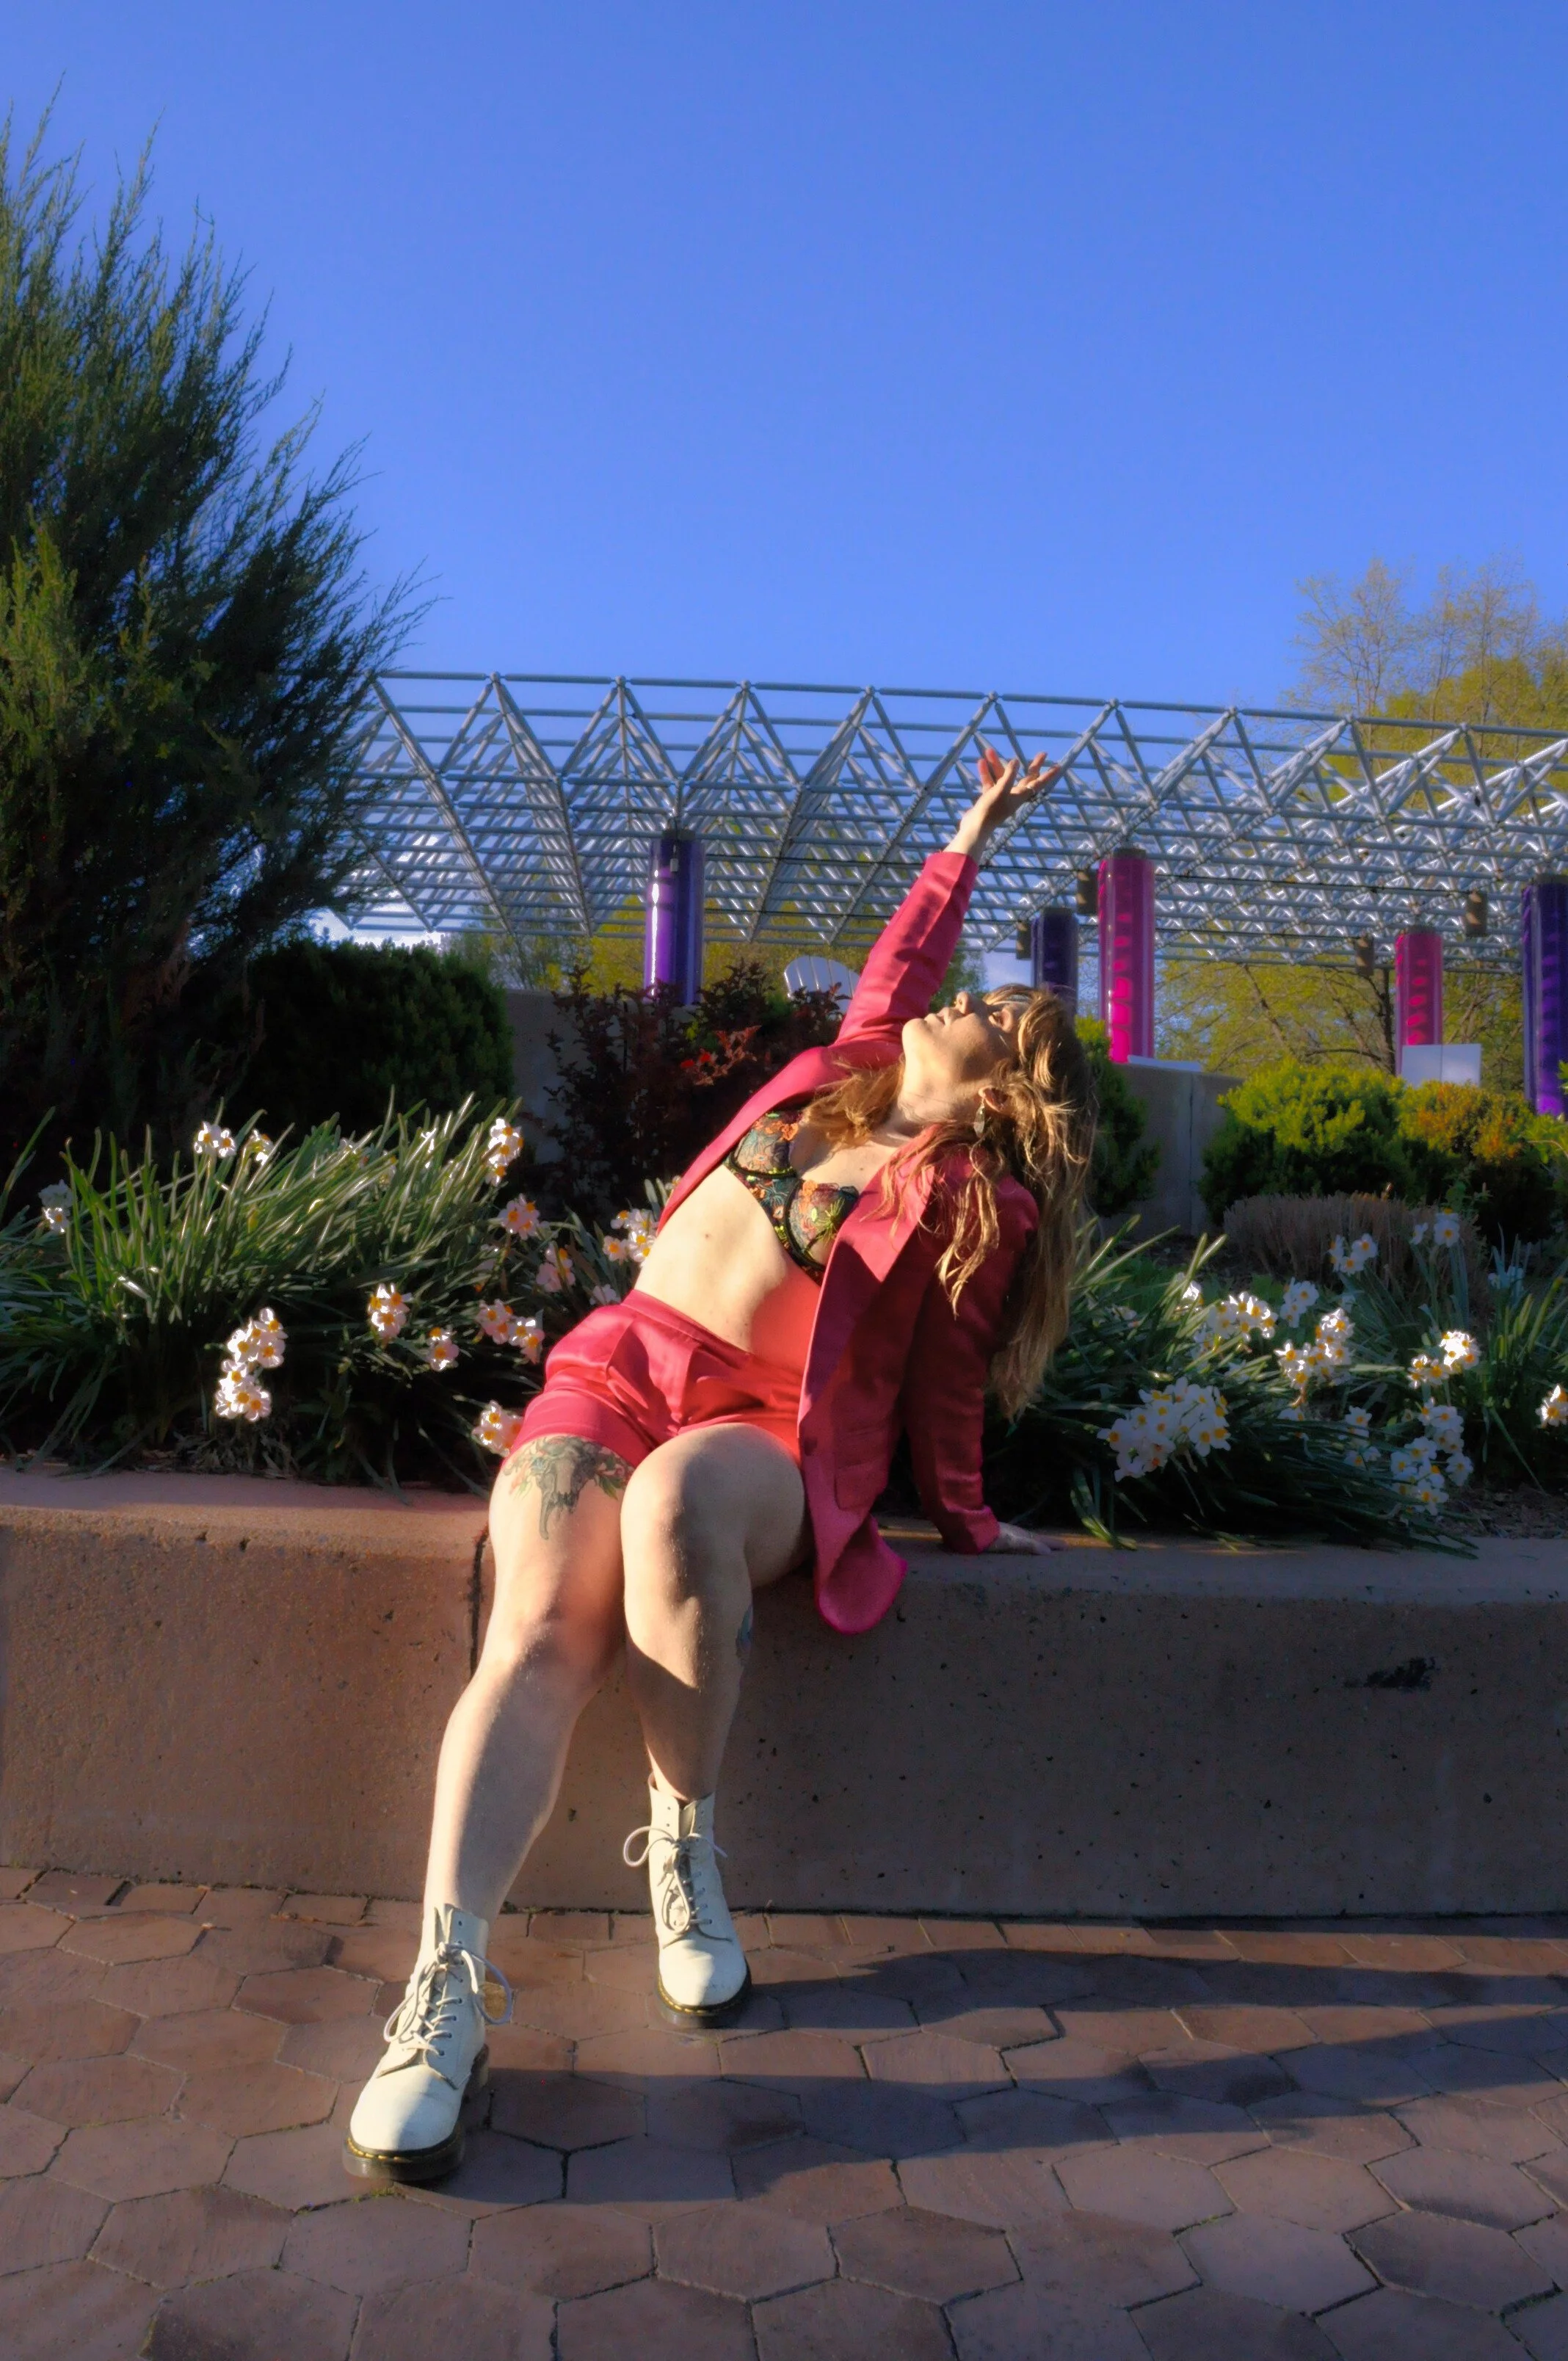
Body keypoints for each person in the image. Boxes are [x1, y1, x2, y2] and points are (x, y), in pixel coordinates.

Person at [345, 748, 1097, 2183]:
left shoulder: (968, 1194)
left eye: (993, 1013)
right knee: (539, 1620)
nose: (962, 999)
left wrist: (974, 1525)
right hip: (620, 1370)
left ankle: (682, 1847)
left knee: (683, 1505)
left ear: (1010, 1086)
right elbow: (900, 959)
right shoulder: (840, 1086)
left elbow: (946, 1394)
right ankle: (441, 1992)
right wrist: (969, 832)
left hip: (765, 1438)